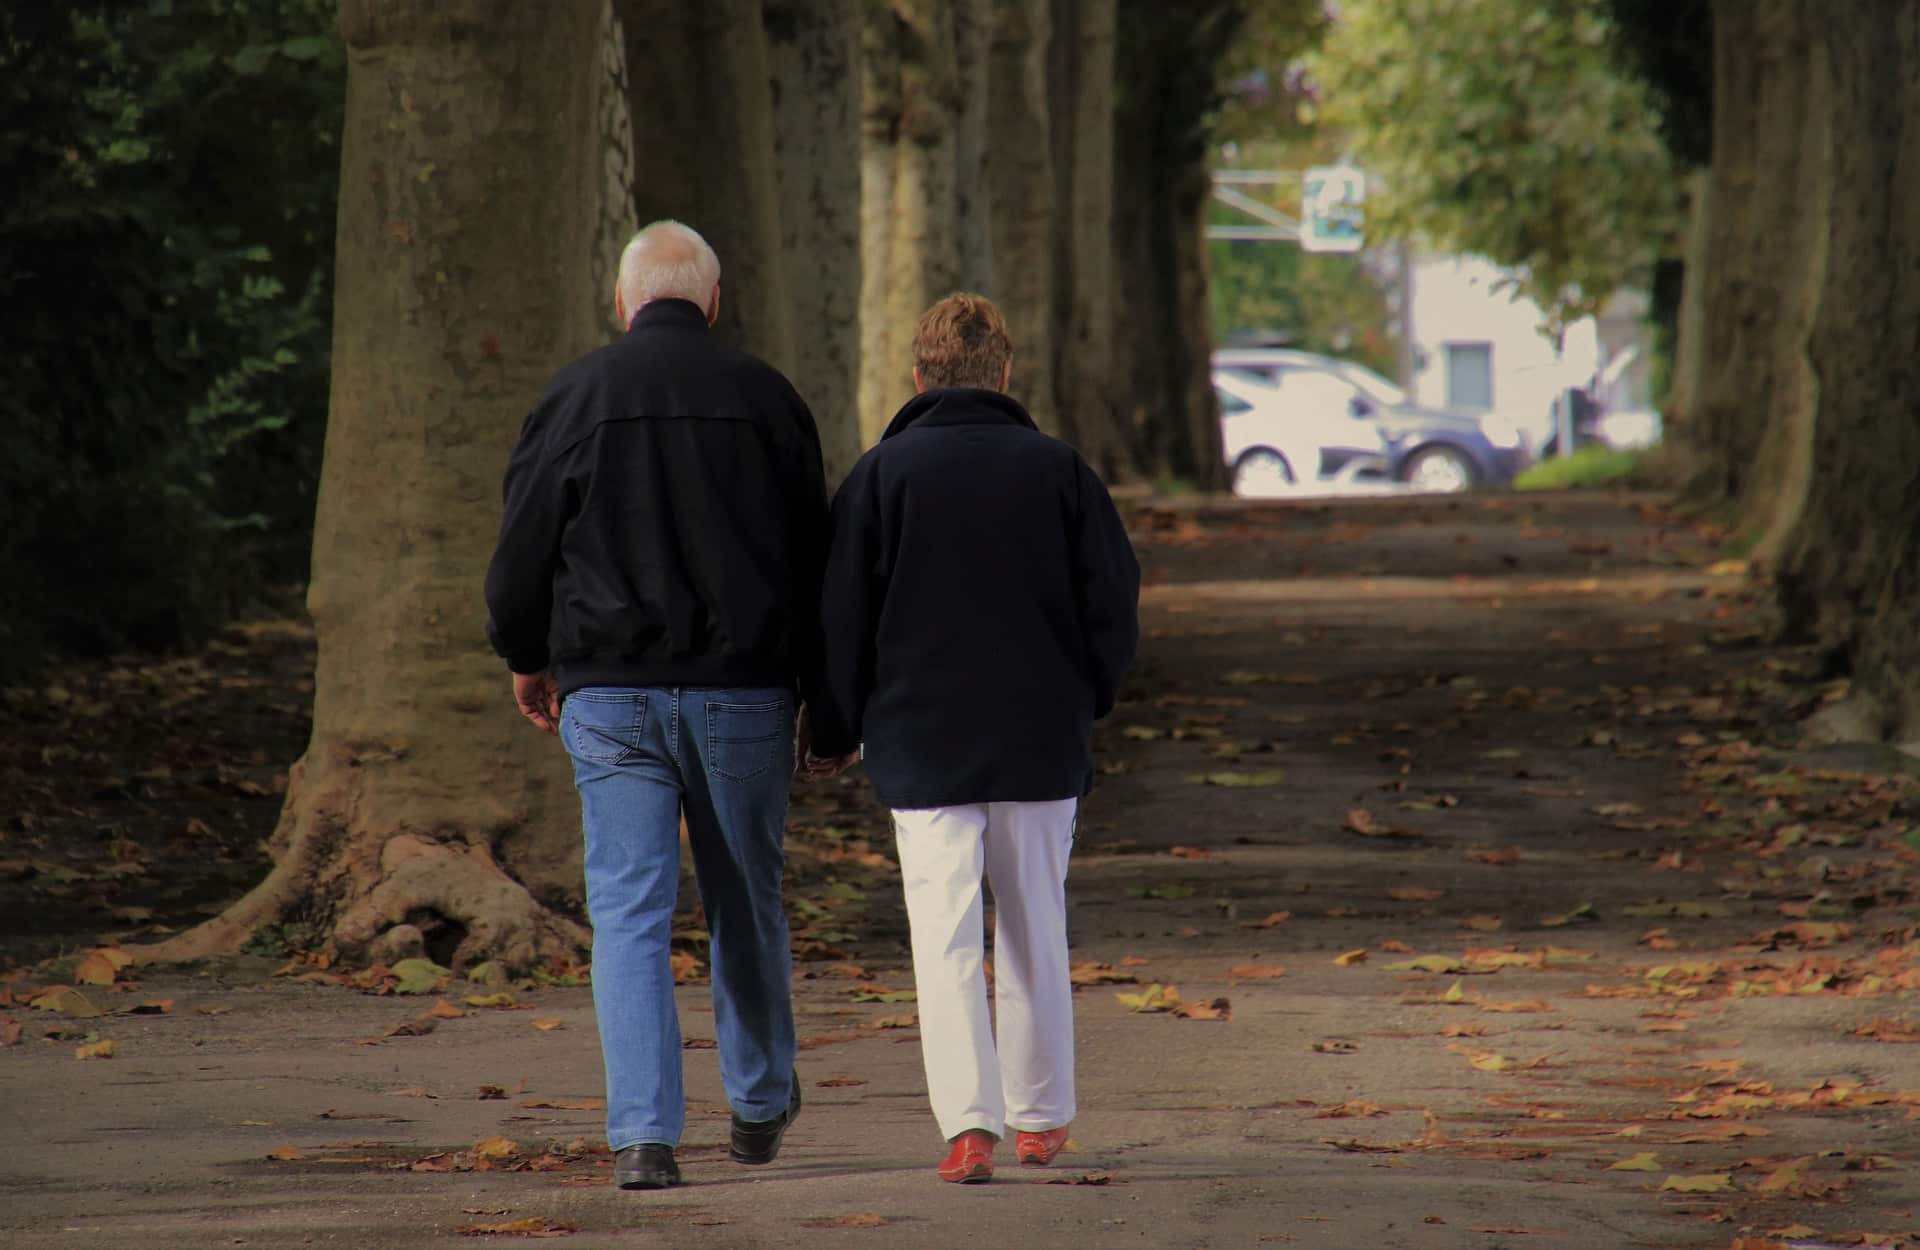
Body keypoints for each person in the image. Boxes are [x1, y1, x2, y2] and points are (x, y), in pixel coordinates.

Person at [484, 220, 855, 1191]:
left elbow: (520, 552)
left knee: (629, 911)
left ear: (623, 301)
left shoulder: (573, 395)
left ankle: (644, 1134)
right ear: (715, 300)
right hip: (745, 693)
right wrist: (829, 698)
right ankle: (762, 1099)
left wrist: (530, 656)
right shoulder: (770, 401)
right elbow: (819, 565)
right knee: (746, 900)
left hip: (607, 692)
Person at [816, 293, 1140, 1183]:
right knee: (1036, 920)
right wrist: (1092, 698)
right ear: (1005, 375)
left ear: (918, 378)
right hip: (1040, 735)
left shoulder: (880, 477)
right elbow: (1112, 603)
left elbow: (842, 620)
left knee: (944, 935)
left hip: (920, 740)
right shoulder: (1062, 472)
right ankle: (1042, 1114)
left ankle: (969, 1123)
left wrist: (838, 726)